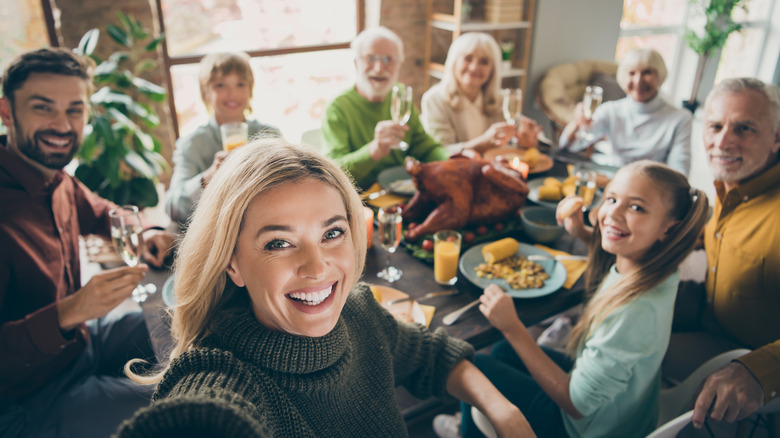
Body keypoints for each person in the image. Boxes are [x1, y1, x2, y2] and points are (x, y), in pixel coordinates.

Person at [115, 139, 535, 437]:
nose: (317, 267)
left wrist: (504, 410)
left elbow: (431, 356)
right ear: (232, 264)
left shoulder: (359, 312)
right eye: (278, 243)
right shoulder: (223, 377)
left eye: (332, 232)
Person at [435, 160, 709, 438]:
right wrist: (582, 232)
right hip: (624, 411)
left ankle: (467, 430)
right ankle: (475, 421)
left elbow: (576, 404)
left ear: (669, 230)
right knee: (503, 352)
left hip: (582, 428)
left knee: (475, 369)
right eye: (612, 198)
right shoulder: (660, 267)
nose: (613, 212)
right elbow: (624, 252)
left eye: (636, 207)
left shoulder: (634, 311)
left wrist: (512, 326)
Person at [0, 48, 175, 437]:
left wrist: (145, 232)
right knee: (183, 405)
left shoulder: (55, 177)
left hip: (83, 344)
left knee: (188, 323)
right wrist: (67, 313)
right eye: (43, 108)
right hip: (31, 399)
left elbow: (102, 212)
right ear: (7, 111)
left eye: (74, 109)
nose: (62, 125)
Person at [662, 77, 780, 430]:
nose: (723, 141)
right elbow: (707, 237)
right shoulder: (731, 187)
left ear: (776, 137)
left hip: (748, 352)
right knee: (613, 321)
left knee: (629, 356)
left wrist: (760, 371)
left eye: (744, 128)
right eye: (715, 126)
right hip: (708, 312)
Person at [321, 26, 449, 190]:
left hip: (400, 190)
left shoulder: (400, 96)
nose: (379, 68)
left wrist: (452, 159)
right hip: (360, 199)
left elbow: (423, 146)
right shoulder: (337, 108)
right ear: (356, 63)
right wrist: (374, 150)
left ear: (399, 65)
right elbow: (333, 172)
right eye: (370, 59)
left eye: (388, 59)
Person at [165, 51, 281, 226]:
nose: (232, 93)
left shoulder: (270, 135)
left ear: (250, 90)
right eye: (221, 85)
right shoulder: (192, 144)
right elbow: (173, 209)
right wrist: (208, 178)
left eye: (240, 84)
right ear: (206, 93)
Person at [559, 48, 692, 176]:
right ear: (623, 77)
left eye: (647, 72)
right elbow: (570, 146)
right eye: (632, 73)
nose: (638, 80)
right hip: (612, 180)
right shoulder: (610, 110)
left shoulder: (680, 118)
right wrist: (577, 123)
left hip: (652, 186)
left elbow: (680, 173)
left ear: (661, 75)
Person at [421, 32, 541, 155]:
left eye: (483, 62)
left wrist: (528, 142)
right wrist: (482, 143)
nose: (474, 67)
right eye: (468, 59)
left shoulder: (501, 99)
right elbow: (441, 151)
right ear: (454, 62)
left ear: (492, 70)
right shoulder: (434, 100)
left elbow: (532, 136)